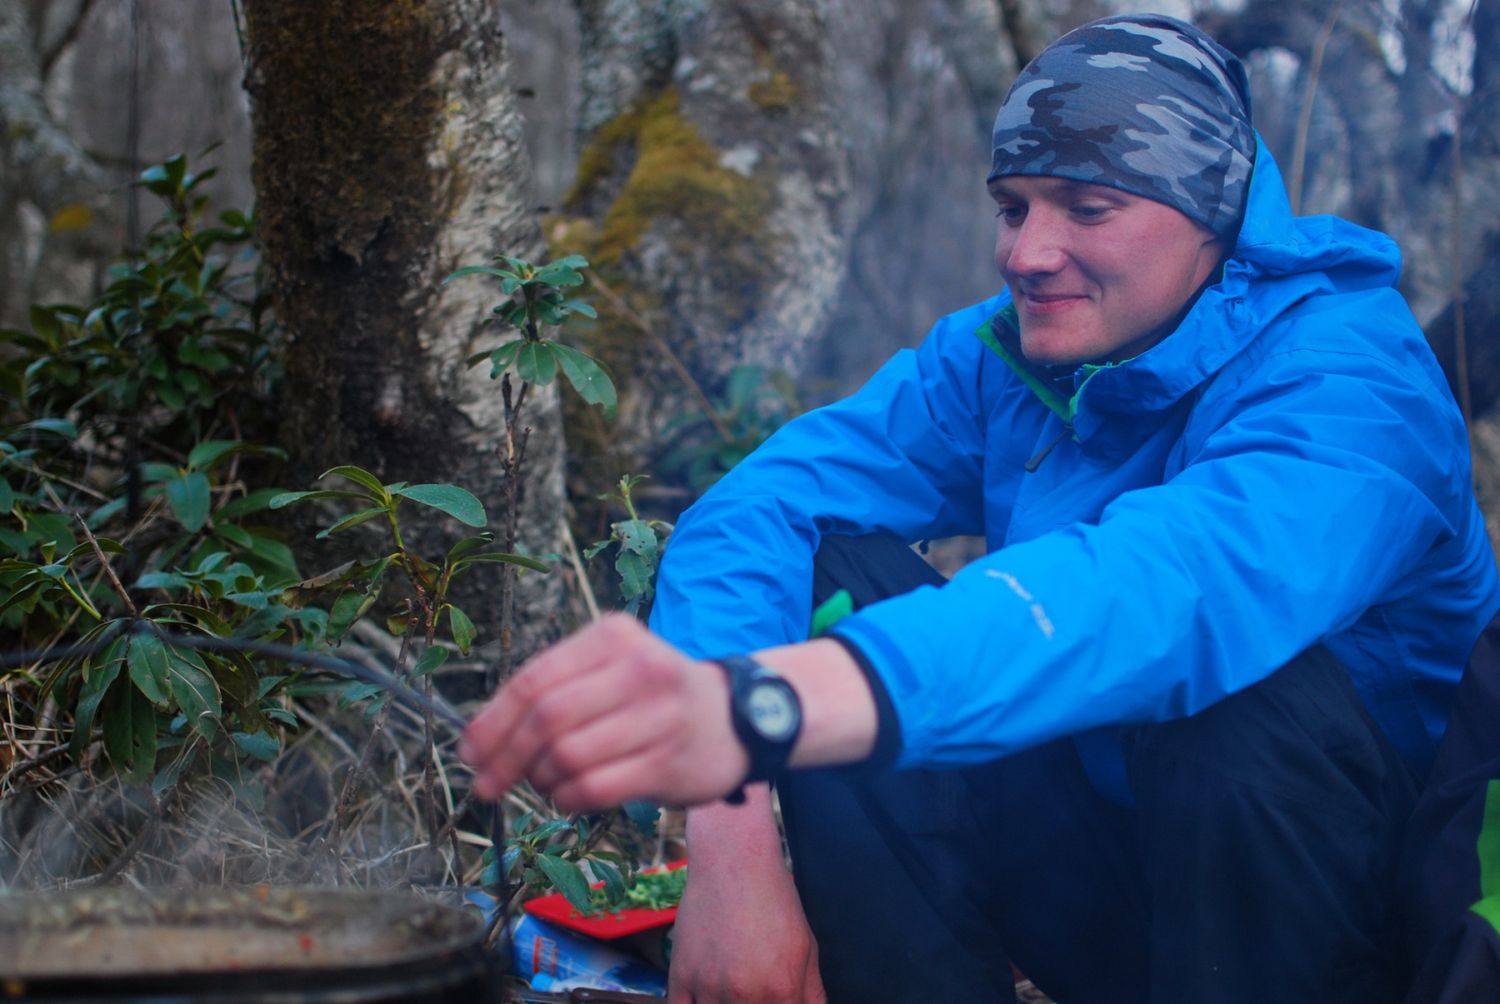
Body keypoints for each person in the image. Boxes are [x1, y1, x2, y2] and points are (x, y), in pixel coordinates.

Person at [463, 13, 1500, 1003]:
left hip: (1347, 923)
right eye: (1014, 206)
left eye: (1086, 208)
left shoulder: (1353, 379)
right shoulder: (1007, 353)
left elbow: (1166, 591)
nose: (1026, 253)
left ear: (1213, 216)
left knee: (1237, 697)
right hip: (1119, 881)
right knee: (836, 574)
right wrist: (728, 838)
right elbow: (760, 505)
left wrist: (775, 705)